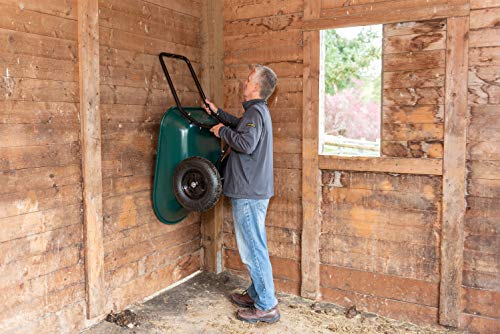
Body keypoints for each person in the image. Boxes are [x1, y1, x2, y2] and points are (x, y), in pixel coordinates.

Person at [203, 64, 279, 324]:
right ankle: (257, 294)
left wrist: (221, 131)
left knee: (252, 249)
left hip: (248, 192)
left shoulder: (256, 113)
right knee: (255, 244)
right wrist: (219, 114)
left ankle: (267, 305)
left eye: (248, 80)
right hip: (253, 190)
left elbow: (245, 143)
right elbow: (241, 126)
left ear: (255, 87)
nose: (244, 83)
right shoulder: (257, 113)